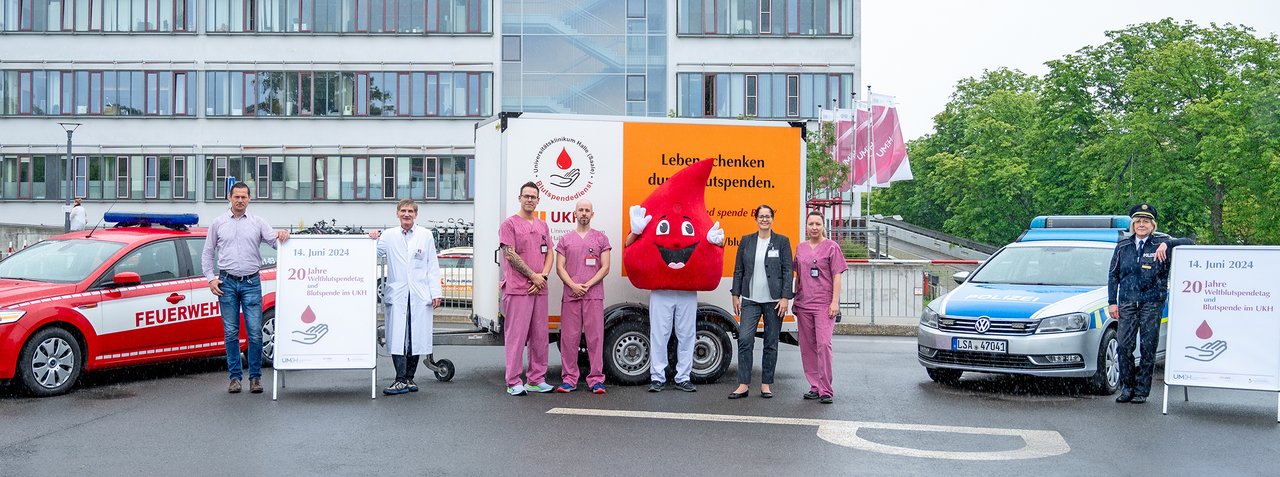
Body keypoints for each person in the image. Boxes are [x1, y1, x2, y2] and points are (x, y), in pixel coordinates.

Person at [201, 182, 289, 394]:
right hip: (226, 283)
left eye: (244, 197)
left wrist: (284, 235)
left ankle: (255, 378)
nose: (240, 200)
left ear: (249, 199)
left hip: (251, 282)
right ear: (229, 198)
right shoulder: (218, 223)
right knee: (231, 333)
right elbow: (207, 252)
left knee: (255, 333)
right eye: (236, 197)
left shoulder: (258, 223)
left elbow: (277, 244)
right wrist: (210, 279)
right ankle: (234, 378)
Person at [1108, 203, 1193, 404]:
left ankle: (1141, 391)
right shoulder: (1123, 245)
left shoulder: (1161, 243)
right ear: (1133, 225)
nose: (1141, 225)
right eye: (1138, 221)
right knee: (1124, 347)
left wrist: (1169, 244)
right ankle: (1126, 388)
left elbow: (1190, 242)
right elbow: (1113, 276)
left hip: (1152, 302)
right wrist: (1112, 302)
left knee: (1148, 347)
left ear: (1152, 225)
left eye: (1146, 221)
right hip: (1127, 302)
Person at [370, 199, 443, 395]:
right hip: (399, 293)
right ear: (397, 214)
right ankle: (399, 379)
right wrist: (371, 238)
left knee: (416, 338)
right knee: (398, 337)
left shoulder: (425, 235)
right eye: (403, 211)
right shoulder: (389, 235)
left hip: (419, 294)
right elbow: (373, 252)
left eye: (410, 211)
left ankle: (409, 378)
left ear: (415, 214)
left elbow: (432, 266)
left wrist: (435, 292)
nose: (406, 214)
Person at [728, 205, 793, 399]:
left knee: (770, 343)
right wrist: (735, 293)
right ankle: (743, 384)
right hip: (750, 299)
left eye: (768, 216)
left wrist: (784, 297)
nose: (764, 219)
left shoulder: (782, 241)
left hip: (774, 302)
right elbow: (738, 269)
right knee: (745, 339)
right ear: (755, 219)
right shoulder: (746, 241)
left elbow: (787, 271)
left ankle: (766, 384)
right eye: (761, 216)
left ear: (773, 219)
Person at [499, 182, 555, 396]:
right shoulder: (509, 224)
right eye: (526, 196)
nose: (530, 199)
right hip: (518, 288)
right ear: (519, 198)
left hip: (539, 287)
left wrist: (544, 276)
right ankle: (513, 382)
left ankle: (536, 379)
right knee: (516, 336)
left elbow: (550, 253)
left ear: (538, 200)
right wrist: (533, 276)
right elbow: (510, 255)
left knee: (540, 336)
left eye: (533, 196)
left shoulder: (543, 226)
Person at [553, 200, 611, 394]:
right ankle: (569, 378)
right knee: (569, 339)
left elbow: (605, 267)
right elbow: (559, 267)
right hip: (571, 295)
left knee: (595, 338)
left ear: (592, 214)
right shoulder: (565, 240)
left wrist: (588, 284)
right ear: (574, 214)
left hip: (593, 295)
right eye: (581, 210)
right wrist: (573, 286)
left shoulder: (601, 239)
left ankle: (596, 379)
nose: (584, 213)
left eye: (587, 210)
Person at [791, 211, 847, 404]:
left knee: (823, 344)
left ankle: (826, 389)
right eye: (811, 224)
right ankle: (814, 386)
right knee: (807, 347)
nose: (814, 227)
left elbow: (837, 276)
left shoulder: (832, 247)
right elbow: (798, 276)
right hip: (804, 304)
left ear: (823, 226)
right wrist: (794, 301)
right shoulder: (800, 248)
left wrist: (835, 301)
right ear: (806, 227)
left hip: (824, 304)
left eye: (817, 224)